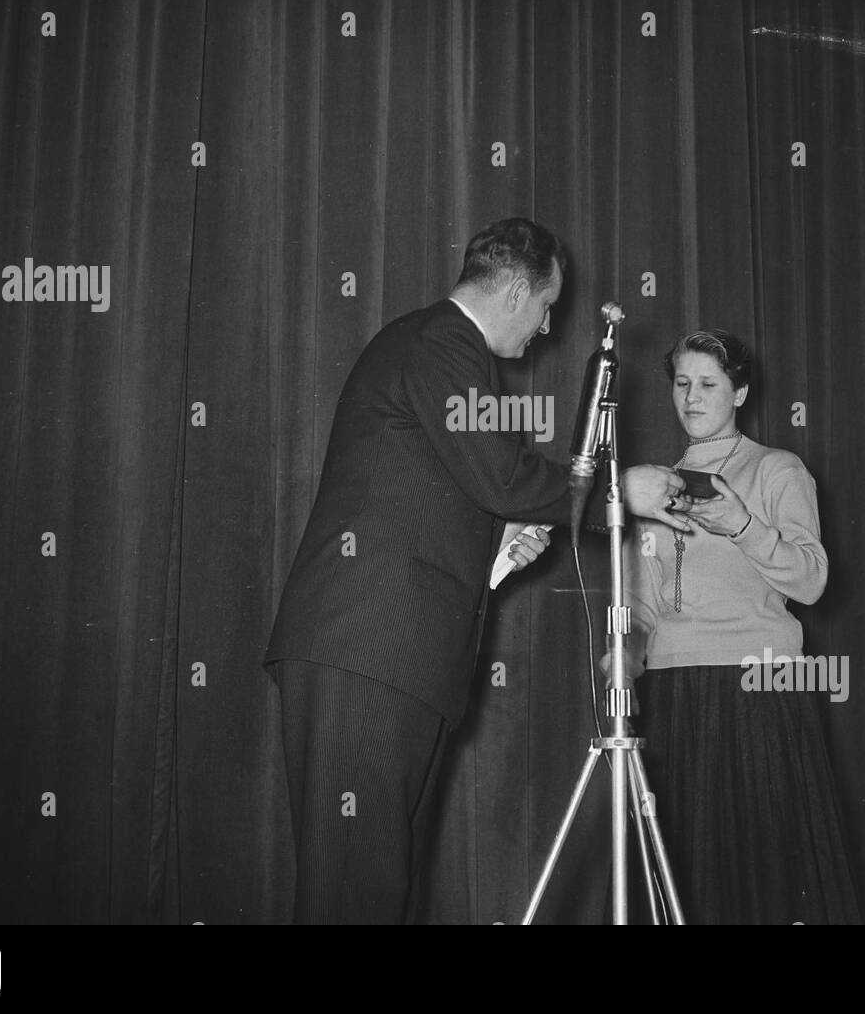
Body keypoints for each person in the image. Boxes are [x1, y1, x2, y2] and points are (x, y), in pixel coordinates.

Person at [264, 217, 687, 924]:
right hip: (368, 650)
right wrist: (621, 487)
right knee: (354, 890)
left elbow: (451, 492)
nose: (548, 328)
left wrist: (493, 553)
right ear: (517, 291)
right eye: (548, 305)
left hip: (388, 656)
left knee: (374, 886)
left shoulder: (442, 352)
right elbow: (502, 476)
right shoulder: (443, 342)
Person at [624, 328, 860, 924]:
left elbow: (810, 581)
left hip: (761, 688)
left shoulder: (778, 470)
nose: (692, 397)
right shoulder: (654, 485)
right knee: (684, 882)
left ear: (741, 392)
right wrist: (625, 649)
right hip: (677, 691)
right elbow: (647, 603)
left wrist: (742, 524)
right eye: (682, 383)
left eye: (708, 383)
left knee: (771, 879)